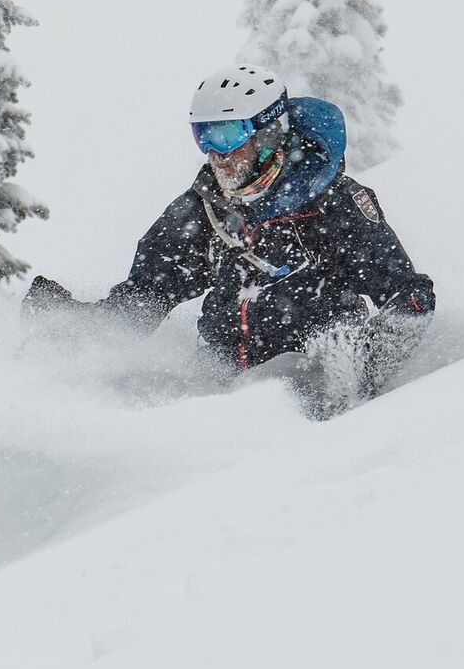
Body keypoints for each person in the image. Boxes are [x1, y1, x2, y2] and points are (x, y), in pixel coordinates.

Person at [23, 65, 435, 416]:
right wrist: (75, 330)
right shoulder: (205, 209)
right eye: (202, 136)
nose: (215, 154)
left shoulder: (333, 204)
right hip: (219, 393)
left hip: (309, 393)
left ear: (268, 133)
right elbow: (147, 294)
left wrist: (356, 367)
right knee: (127, 392)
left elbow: (410, 298)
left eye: (226, 136)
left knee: (279, 385)